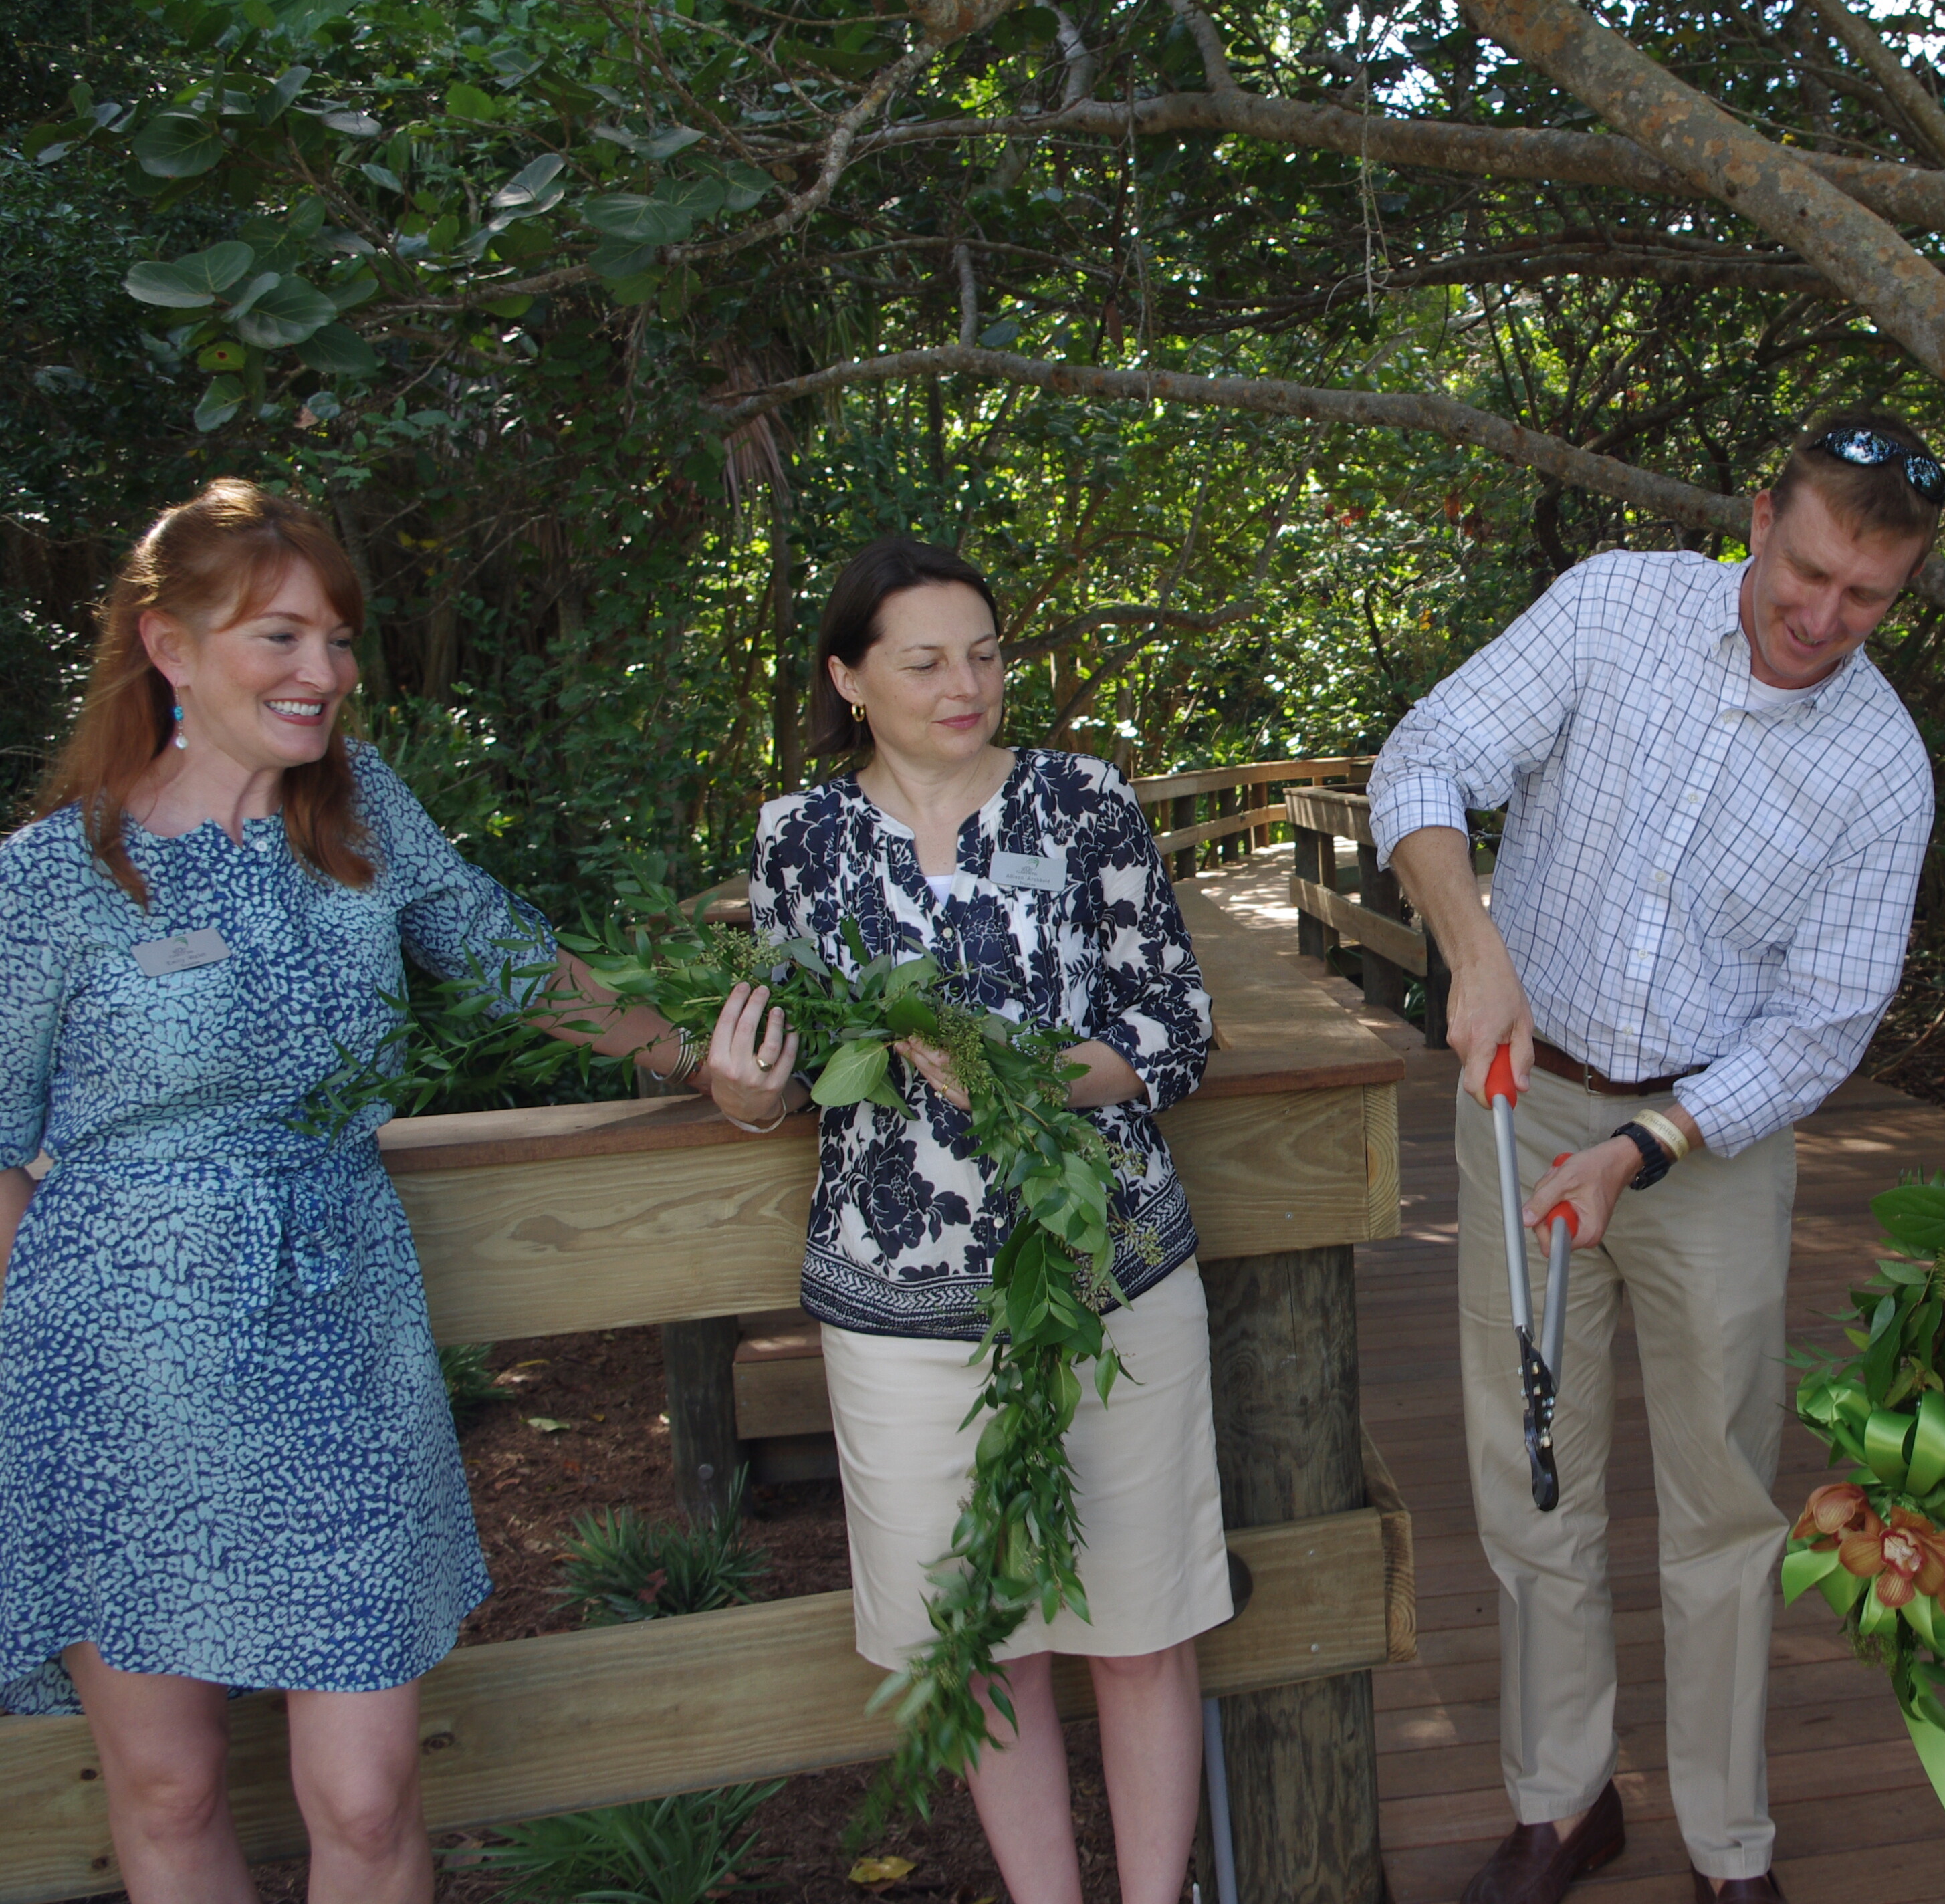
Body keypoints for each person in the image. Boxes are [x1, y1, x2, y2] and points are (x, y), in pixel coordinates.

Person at [0, 479, 708, 1901]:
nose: (323, 673)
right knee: (167, 1777)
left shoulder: (362, 813)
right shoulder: (52, 878)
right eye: (279, 636)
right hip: (121, 1379)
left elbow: (516, 964)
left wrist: (709, 1061)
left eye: (337, 638)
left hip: (340, 1340)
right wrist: (58, 1328)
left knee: (369, 1795)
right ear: (167, 643)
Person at [1371, 414, 1943, 1904]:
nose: (1821, 619)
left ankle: (1725, 1844)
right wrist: (1473, 948)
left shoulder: (1881, 770)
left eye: (1865, 596)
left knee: (1723, 1500)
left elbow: (1817, 1028)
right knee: (1530, 1474)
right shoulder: (1616, 604)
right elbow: (1426, 753)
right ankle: (1561, 1805)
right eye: (1806, 568)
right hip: (1520, 1100)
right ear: (1756, 513)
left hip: (1709, 1143)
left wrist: (1650, 1140)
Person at [701, 536, 1224, 1904]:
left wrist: (1049, 1072)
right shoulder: (795, 840)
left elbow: (1173, 1020)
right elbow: (788, 1065)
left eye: (985, 652)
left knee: (1141, 1625)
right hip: (896, 1302)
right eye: (925, 659)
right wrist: (742, 1092)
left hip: (1107, 1276)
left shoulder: (1083, 801)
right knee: (979, 1640)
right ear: (848, 676)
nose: (966, 682)